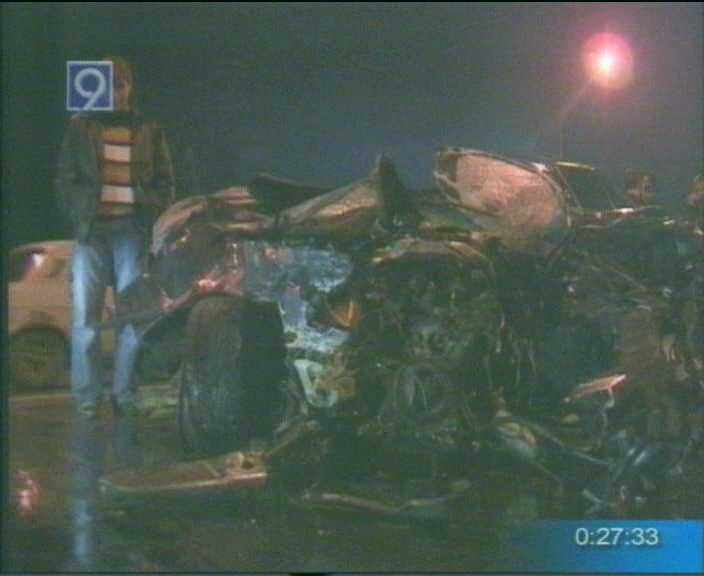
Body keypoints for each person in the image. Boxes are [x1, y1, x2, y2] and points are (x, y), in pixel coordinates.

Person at [55, 56, 175, 418]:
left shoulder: (149, 129)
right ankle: (88, 397)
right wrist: (79, 213)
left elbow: (166, 181)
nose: (114, 92)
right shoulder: (81, 127)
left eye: (120, 85)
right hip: (92, 232)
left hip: (132, 233)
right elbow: (64, 179)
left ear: (130, 87)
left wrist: (150, 214)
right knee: (86, 318)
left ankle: (124, 392)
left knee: (133, 316)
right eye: (107, 85)